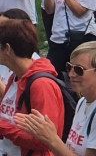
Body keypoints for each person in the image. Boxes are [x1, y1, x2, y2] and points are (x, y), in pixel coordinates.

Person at [16, 42, 96, 155]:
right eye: (69, 67)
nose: (71, 74)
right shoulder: (83, 101)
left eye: (79, 70)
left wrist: (52, 139)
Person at [0, 16, 66, 156]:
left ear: (7, 48)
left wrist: (2, 127)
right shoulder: (15, 77)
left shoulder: (41, 85)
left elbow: (44, 140)